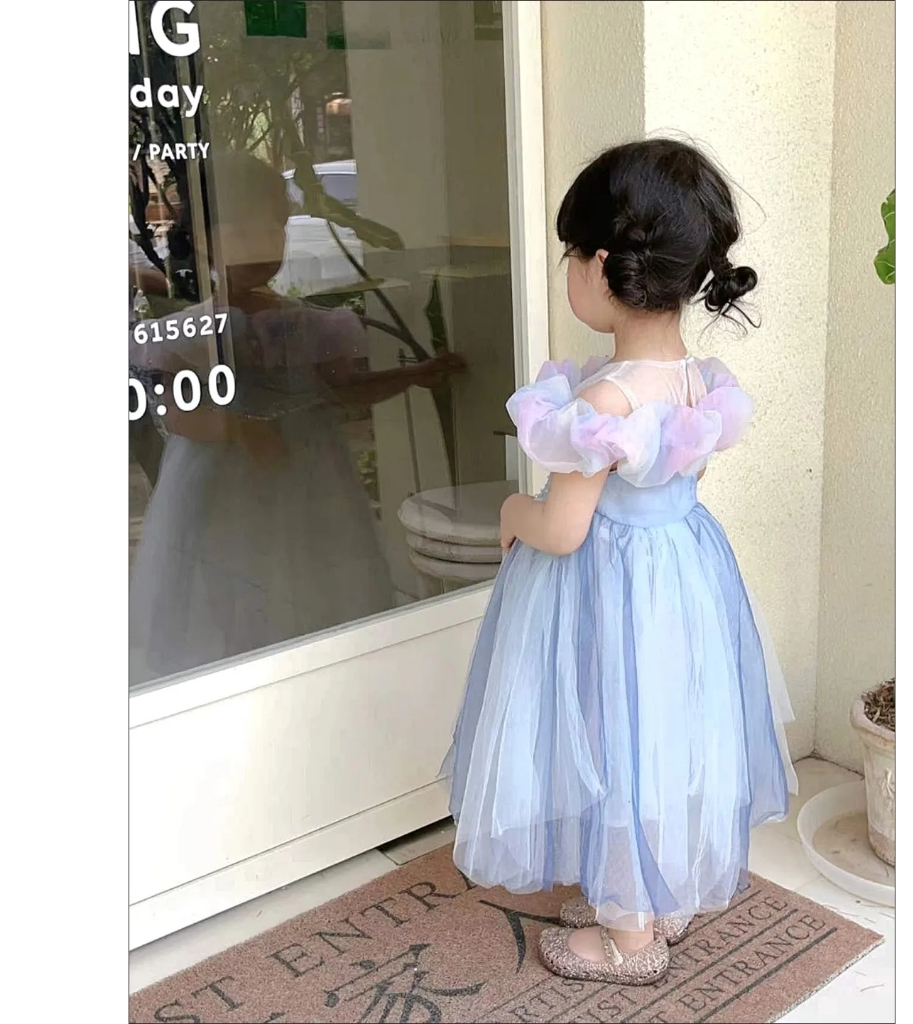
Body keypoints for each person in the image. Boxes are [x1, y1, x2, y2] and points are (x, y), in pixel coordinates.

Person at [442, 139, 796, 985]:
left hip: (609, 594)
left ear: (602, 266)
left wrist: (512, 513)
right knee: (663, 735)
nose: (568, 268)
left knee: (612, 740)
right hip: (681, 584)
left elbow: (564, 528)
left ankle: (630, 938)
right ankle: (655, 888)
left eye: (570, 252)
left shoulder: (604, 400)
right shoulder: (696, 380)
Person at [129, 148, 462, 685]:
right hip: (223, 485)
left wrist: (415, 374)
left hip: (310, 473)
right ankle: (243, 681)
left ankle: (313, 679)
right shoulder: (191, 331)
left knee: (316, 577)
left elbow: (345, 392)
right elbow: (178, 412)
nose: (264, 241)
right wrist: (239, 428)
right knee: (234, 580)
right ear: (206, 241)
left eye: (275, 227)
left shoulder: (314, 326)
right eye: (243, 230)